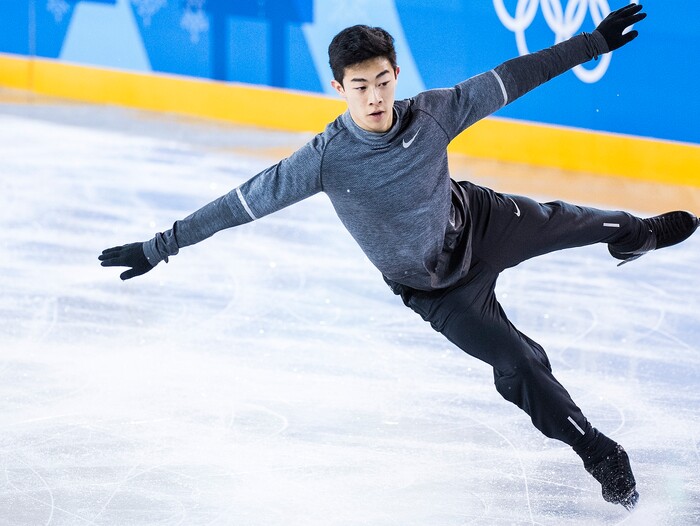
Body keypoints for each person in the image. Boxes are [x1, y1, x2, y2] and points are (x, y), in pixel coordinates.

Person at [99, 4, 698, 510]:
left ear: (395, 73)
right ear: (339, 88)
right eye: (360, 86)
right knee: (516, 363)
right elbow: (240, 203)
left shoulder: (433, 112)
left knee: (568, 220)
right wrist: (161, 246)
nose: (376, 96)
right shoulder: (325, 159)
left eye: (383, 80)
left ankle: (636, 234)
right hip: (435, 289)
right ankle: (596, 449)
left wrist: (591, 42)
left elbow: (514, 76)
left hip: (478, 221)